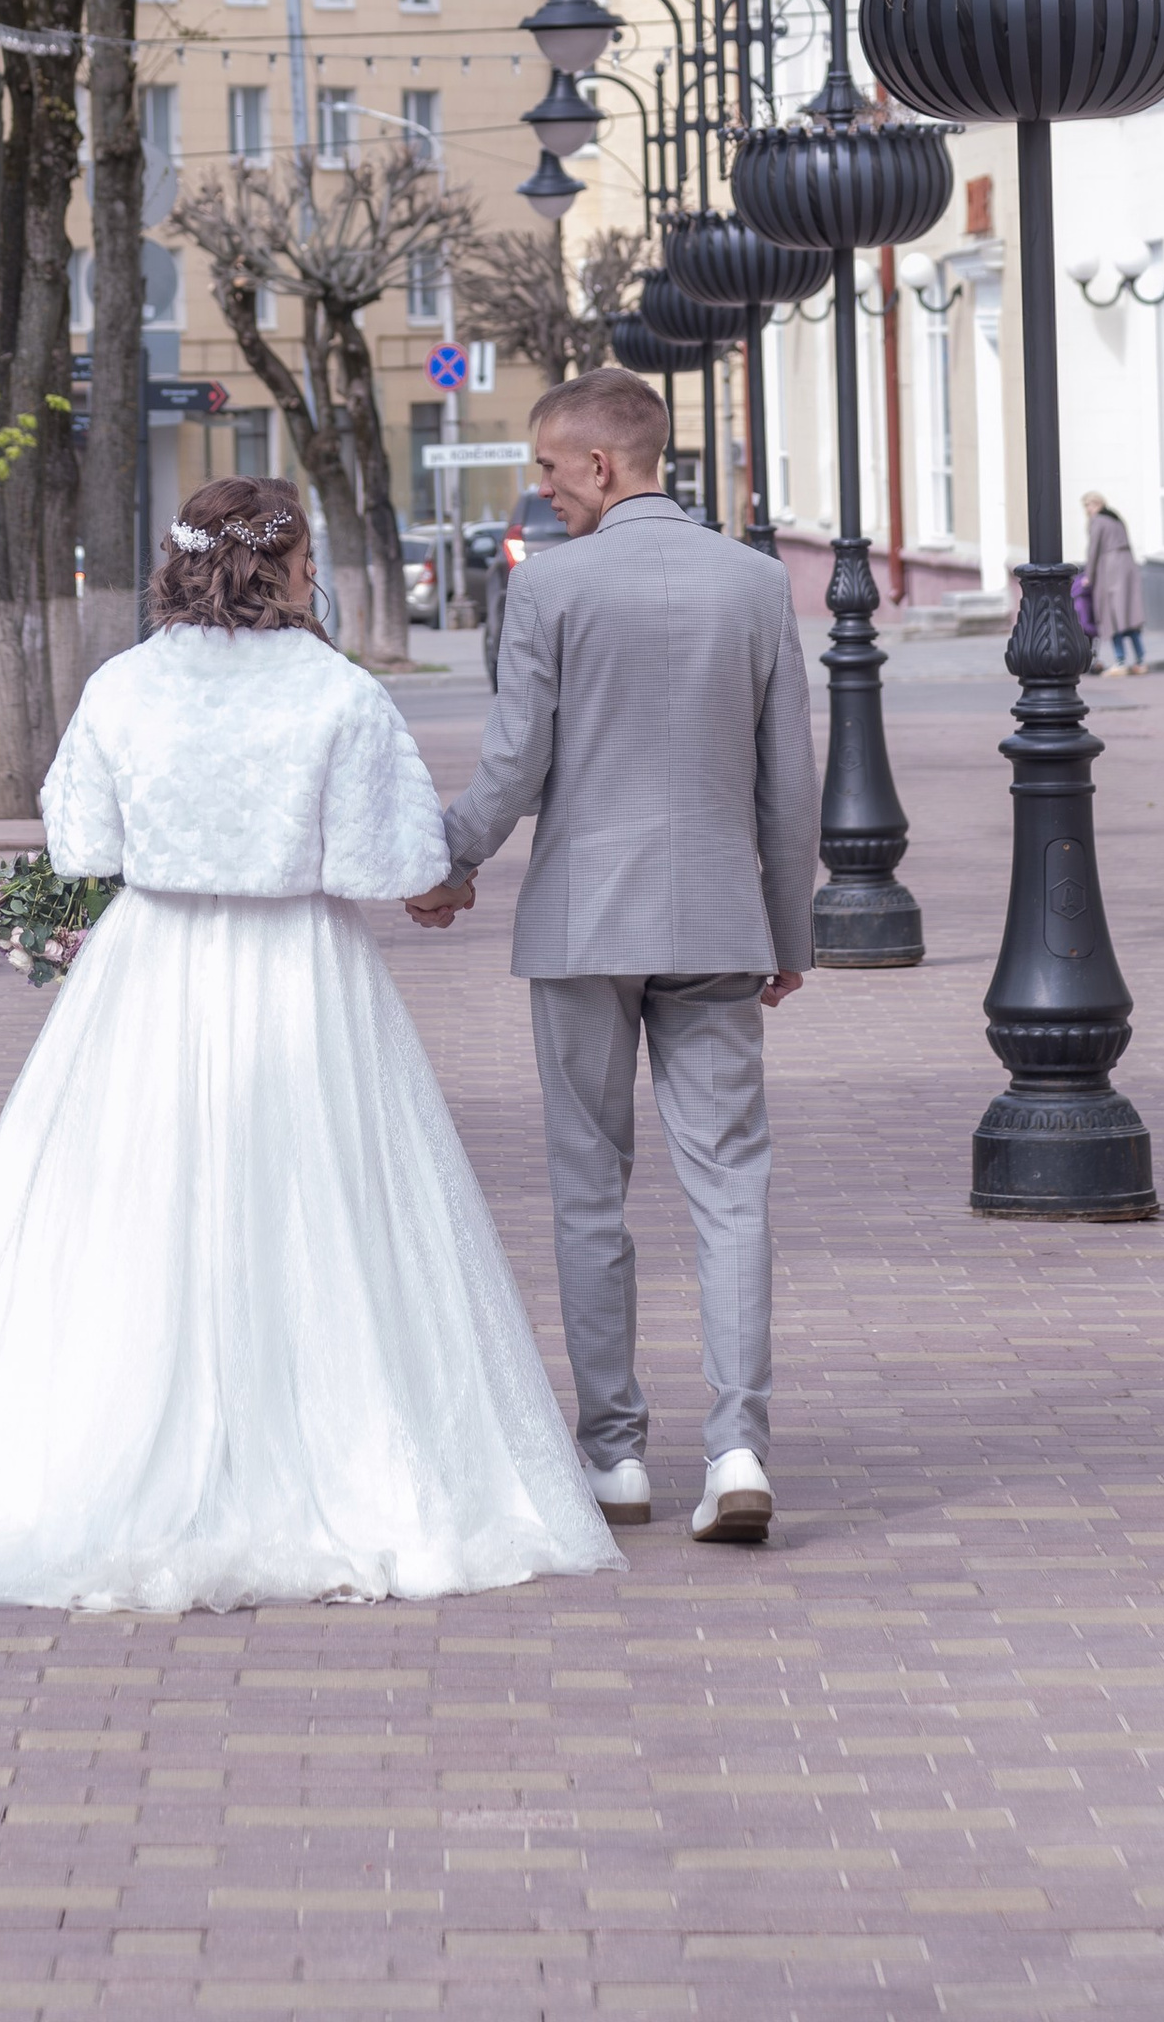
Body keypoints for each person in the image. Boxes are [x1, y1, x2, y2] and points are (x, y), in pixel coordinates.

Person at [0, 477, 619, 1614]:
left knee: (122, 1211)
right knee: (320, 1212)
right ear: (289, 568)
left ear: (184, 563)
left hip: (147, 977)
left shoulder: (124, 687)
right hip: (299, 980)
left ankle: (100, 1448)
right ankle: (335, 1457)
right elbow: (381, 867)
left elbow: (82, 840)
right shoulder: (337, 696)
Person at [409, 369, 818, 1550]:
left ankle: (617, 1456)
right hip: (714, 922)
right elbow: (787, 781)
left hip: (585, 925)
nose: (541, 491)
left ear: (601, 465)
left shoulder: (553, 590)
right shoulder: (753, 583)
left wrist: (443, 863)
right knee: (730, 1183)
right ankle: (737, 1444)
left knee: (592, 1189)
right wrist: (786, 932)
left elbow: (512, 770)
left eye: (547, 468)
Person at [1082, 492, 1146, 670]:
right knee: (1128, 615)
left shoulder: (1098, 521)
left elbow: (1093, 550)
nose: (1087, 510)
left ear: (1097, 505)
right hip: (1127, 567)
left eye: (1089, 505)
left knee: (1112, 616)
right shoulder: (1116, 519)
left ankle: (1120, 660)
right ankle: (1140, 659)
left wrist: (1089, 575)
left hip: (1109, 570)